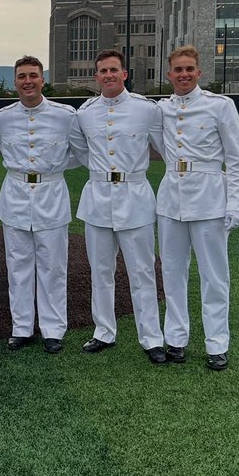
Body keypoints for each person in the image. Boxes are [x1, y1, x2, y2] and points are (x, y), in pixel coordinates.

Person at [69, 49, 167, 362]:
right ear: (96, 76)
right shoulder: (85, 113)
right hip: (98, 198)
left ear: (124, 74)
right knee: (100, 272)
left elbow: (165, 148)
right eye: (103, 71)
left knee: (142, 272)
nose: (108, 75)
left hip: (134, 197)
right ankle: (103, 331)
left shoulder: (146, 110)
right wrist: (101, 173)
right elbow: (80, 151)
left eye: (114, 70)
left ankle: (151, 337)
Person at [156, 46, 239, 370]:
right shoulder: (162, 109)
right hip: (170, 200)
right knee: (172, 273)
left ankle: (217, 344)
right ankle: (176, 340)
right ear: (169, 75)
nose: (184, 74)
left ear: (199, 73)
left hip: (209, 199)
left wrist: (236, 203)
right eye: (178, 69)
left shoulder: (220, 106)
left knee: (214, 276)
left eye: (189, 69)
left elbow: (237, 160)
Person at [0, 55, 80, 354]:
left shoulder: (65, 115)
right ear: (15, 81)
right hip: (15, 195)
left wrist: (53, 170)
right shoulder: (2, 118)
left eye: (33, 75)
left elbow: (80, 152)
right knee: (17, 267)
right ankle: (21, 327)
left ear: (43, 79)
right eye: (21, 76)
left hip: (51, 195)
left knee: (53, 267)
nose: (27, 81)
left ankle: (53, 329)